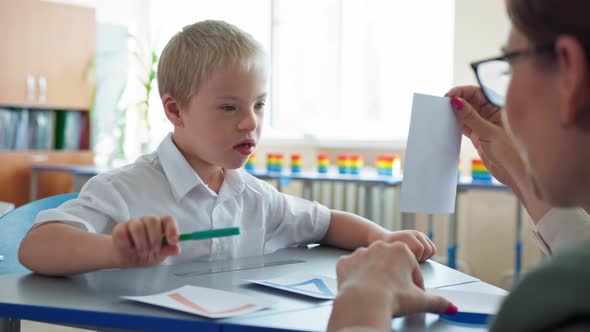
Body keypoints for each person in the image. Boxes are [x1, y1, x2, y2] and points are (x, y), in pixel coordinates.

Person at [18, 20, 435, 277]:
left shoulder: (254, 196)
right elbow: (36, 247)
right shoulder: (124, 190)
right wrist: (114, 250)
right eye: (229, 107)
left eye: (258, 105)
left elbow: (326, 223)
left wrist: (384, 238)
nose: (251, 121)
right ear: (175, 110)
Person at [328, 0, 590, 331]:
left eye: (508, 67)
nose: (504, 99)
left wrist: (360, 305)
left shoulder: (551, 306)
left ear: (570, 71)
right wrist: (519, 168)